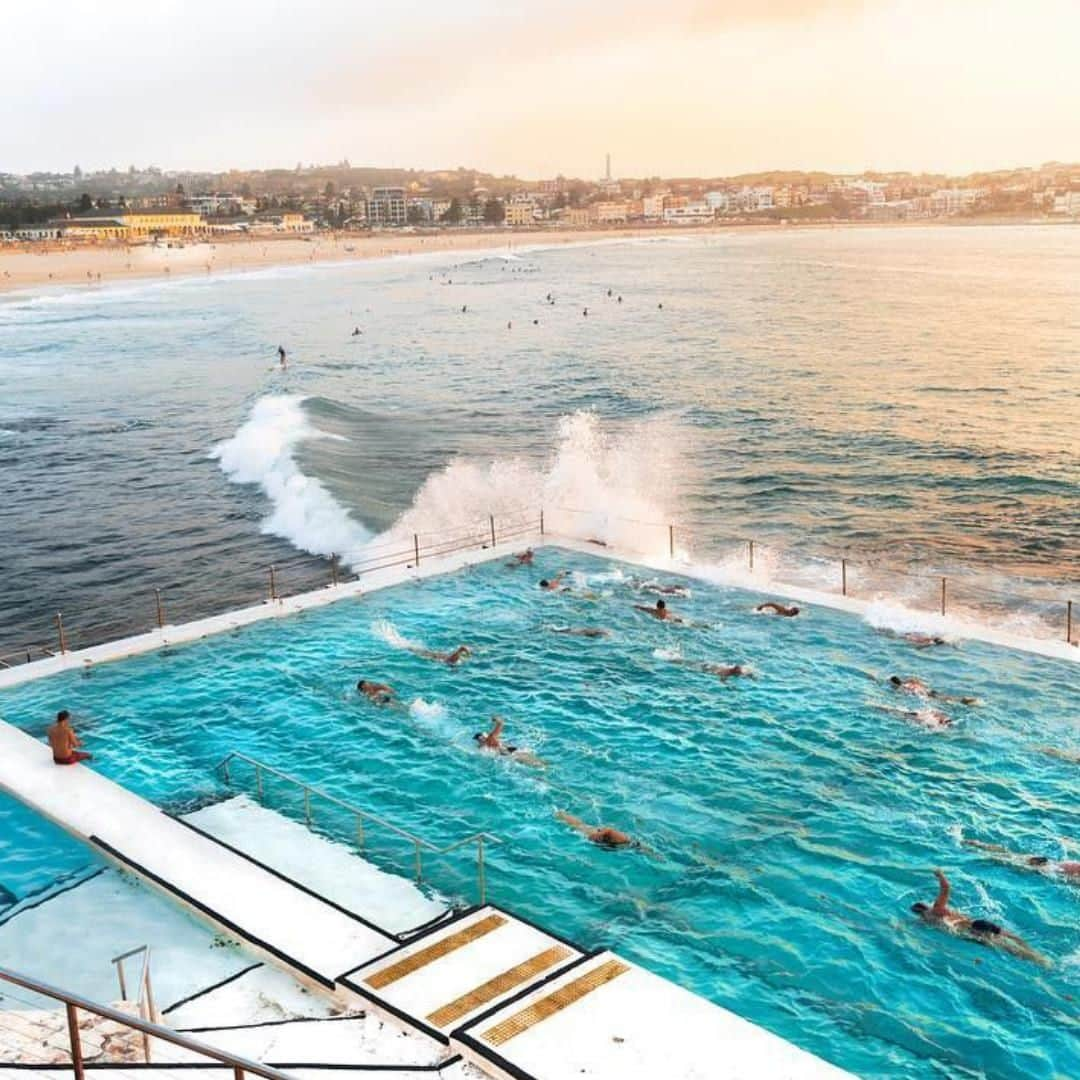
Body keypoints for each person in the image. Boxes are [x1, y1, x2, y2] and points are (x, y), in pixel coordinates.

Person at [911, 870, 1051, 966]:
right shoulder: (936, 908)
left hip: (967, 932)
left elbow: (914, 927)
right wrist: (940, 874)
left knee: (1001, 946)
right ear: (925, 906)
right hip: (976, 925)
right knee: (1009, 937)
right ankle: (1036, 955)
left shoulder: (925, 920)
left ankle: (1037, 960)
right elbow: (946, 888)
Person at [962, 839, 1080, 880]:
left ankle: (978, 845)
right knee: (1007, 861)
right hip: (1048, 868)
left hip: (1046, 861)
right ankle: (977, 850)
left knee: (1009, 855)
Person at [474, 717, 545, 767]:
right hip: (511, 753)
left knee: (538, 764)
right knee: (539, 764)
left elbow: (501, 724)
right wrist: (497, 720)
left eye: (479, 740)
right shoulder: (487, 742)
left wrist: (497, 720)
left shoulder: (486, 743)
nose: (479, 741)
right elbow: (500, 724)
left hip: (510, 754)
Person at [556, 811, 634, 849]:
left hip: (601, 839)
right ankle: (560, 814)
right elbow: (609, 830)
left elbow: (609, 831)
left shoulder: (624, 842)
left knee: (580, 826)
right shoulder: (625, 840)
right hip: (598, 836)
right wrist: (595, 836)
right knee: (580, 826)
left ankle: (561, 815)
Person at [888, 675, 978, 705]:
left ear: (895, 683)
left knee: (943, 700)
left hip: (922, 694)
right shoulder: (910, 681)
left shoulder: (902, 687)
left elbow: (906, 694)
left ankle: (962, 701)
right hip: (928, 691)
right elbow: (918, 681)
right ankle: (963, 699)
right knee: (945, 697)